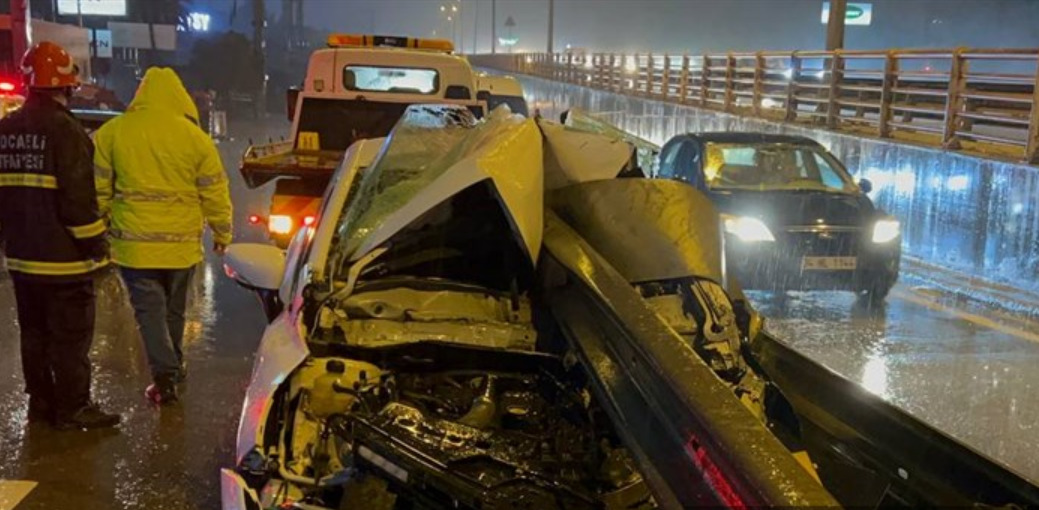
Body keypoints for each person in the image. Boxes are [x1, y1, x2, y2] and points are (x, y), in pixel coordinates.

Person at [93, 68, 232, 406]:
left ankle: (165, 376)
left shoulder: (112, 133)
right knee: (173, 311)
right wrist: (222, 231)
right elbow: (215, 190)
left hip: (135, 247)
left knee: (149, 313)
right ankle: (174, 368)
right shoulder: (195, 138)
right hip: (182, 248)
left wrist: (98, 227)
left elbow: (97, 190)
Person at [0, 41, 120, 430]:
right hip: (64, 262)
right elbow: (78, 202)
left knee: (33, 335)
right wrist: (97, 247)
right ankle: (73, 408)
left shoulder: (6, 129)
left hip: (21, 259)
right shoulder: (67, 132)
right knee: (69, 339)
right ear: (67, 85)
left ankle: (41, 404)